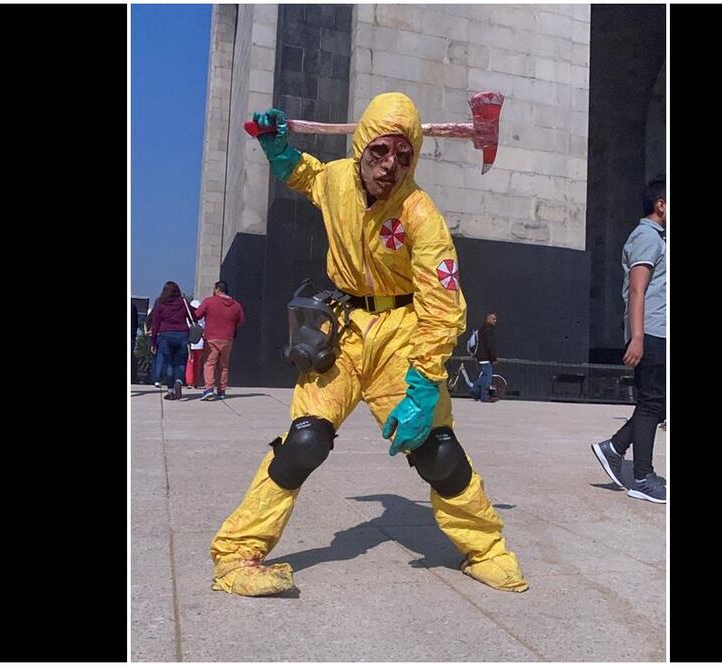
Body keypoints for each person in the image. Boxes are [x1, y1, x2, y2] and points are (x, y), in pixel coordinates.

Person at [209, 93, 528, 597]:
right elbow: (308, 177)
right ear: (360, 148)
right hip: (342, 330)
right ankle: (235, 554)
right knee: (305, 441)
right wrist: (279, 151)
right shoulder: (336, 179)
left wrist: (424, 382)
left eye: (404, 156)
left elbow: (443, 305)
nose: (390, 166)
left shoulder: (421, 215)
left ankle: (486, 549)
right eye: (380, 152)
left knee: (437, 452)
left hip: (403, 335)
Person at [591, 178, 667, 504]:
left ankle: (615, 447)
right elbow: (637, 289)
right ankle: (642, 478)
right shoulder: (646, 237)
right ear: (660, 205)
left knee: (657, 402)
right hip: (649, 332)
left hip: (658, 331)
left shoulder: (658, 238)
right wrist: (636, 337)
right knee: (652, 402)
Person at [192, 281, 245, 401]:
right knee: (224, 366)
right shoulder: (236, 305)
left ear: (217, 289)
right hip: (227, 338)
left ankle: (209, 389)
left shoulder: (209, 301)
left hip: (211, 337)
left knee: (209, 363)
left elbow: (197, 315)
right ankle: (221, 390)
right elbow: (241, 320)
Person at [149, 281, 193, 400]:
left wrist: (153, 342)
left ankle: (170, 391)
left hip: (165, 335)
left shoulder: (160, 302)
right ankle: (179, 381)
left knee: (169, 364)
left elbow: (155, 323)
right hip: (183, 334)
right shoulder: (183, 302)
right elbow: (194, 316)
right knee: (181, 362)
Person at [468, 312, 498, 402]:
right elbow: (490, 346)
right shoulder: (489, 330)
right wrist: (494, 358)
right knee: (487, 378)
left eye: (495, 319)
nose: (495, 321)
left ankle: (476, 392)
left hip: (480, 356)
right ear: (488, 319)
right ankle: (482, 395)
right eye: (493, 319)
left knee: (485, 376)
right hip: (486, 357)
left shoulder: (481, 329)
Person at [185, 299, 207, 389]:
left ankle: (191, 382)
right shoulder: (203, 318)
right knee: (195, 363)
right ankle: (193, 382)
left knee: (191, 362)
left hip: (194, 342)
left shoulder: (189, 318)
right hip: (198, 342)